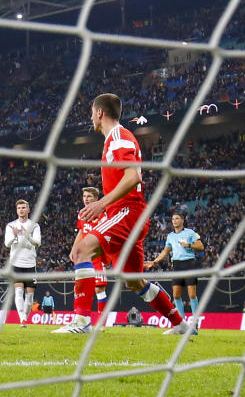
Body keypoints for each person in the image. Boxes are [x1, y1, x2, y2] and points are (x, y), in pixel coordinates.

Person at [54, 93, 186, 335]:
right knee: (134, 281)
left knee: (80, 250)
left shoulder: (118, 136)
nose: (91, 117)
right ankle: (181, 325)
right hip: (130, 215)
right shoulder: (115, 139)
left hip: (126, 212)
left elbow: (133, 175)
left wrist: (102, 204)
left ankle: (81, 322)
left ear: (100, 113)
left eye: (92, 112)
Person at [144, 212, 204, 322]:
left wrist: (189, 245)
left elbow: (201, 246)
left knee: (192, 294)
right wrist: (154, 262)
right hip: (177, 265)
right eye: (172, 219)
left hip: (189, 264)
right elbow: (165, 252)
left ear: (182, 220)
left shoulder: (190, 233)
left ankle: (195, 322)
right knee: (176, 295)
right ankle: (182, 321)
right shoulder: (170, 236)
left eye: (177, 218)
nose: (174, 221)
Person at [74, 186, 109, 324]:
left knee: (99, 289)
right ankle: (79, 318)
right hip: (84, 256)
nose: (86, 199)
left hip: (98, 255)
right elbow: (81, 231)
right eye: (84, 196)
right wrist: (75, 248)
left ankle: (101, 322)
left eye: (89, 196)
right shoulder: (81, 213)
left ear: (96, 198)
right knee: (80, 287)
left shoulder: (103, 214)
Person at [4, 199, 41, 325]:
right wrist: (15, 236)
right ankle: (22, 319)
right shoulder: (10, 226)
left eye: (24, 207)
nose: (21, 210)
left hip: (30, 264)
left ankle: (25, 317)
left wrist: (27, 236)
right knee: (19, 292)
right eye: (19, 208)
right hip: (16, 264)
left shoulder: (34, 226)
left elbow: (38, 243)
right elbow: (7, 243)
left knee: (29, 296)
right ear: (16, 210)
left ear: (28, 210)